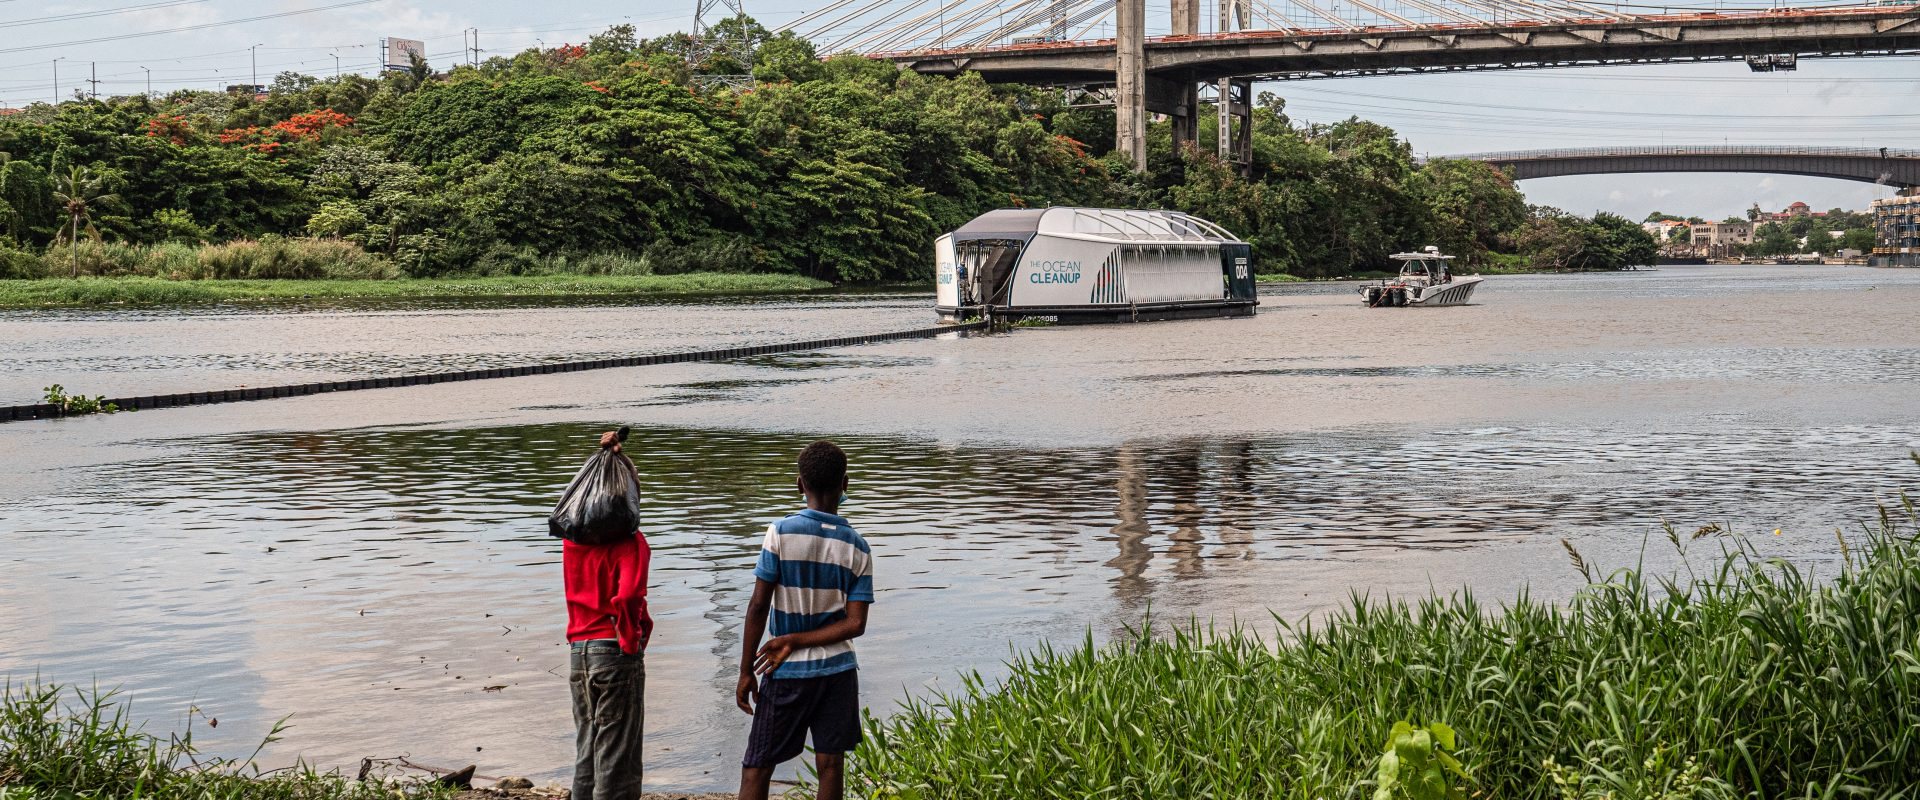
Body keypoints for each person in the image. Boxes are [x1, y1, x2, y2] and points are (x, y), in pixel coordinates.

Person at [736, 441, 874, 800]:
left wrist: (747, 669)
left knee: (757, 766)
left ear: (800, 485)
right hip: (839, 673)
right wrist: (799, 640)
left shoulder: (780, 533)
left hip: (787, 671)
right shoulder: (857, 546)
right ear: (846, 485)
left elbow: (757, 605)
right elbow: (855, 624)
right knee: (830, 765)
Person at [566, 430, 654, 800]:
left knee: (588, 750)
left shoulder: (572, 541)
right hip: (613, 653)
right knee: (617, 761)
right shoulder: (632, 544)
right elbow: (629, 594)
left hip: (579, 653)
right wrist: (630, 637)